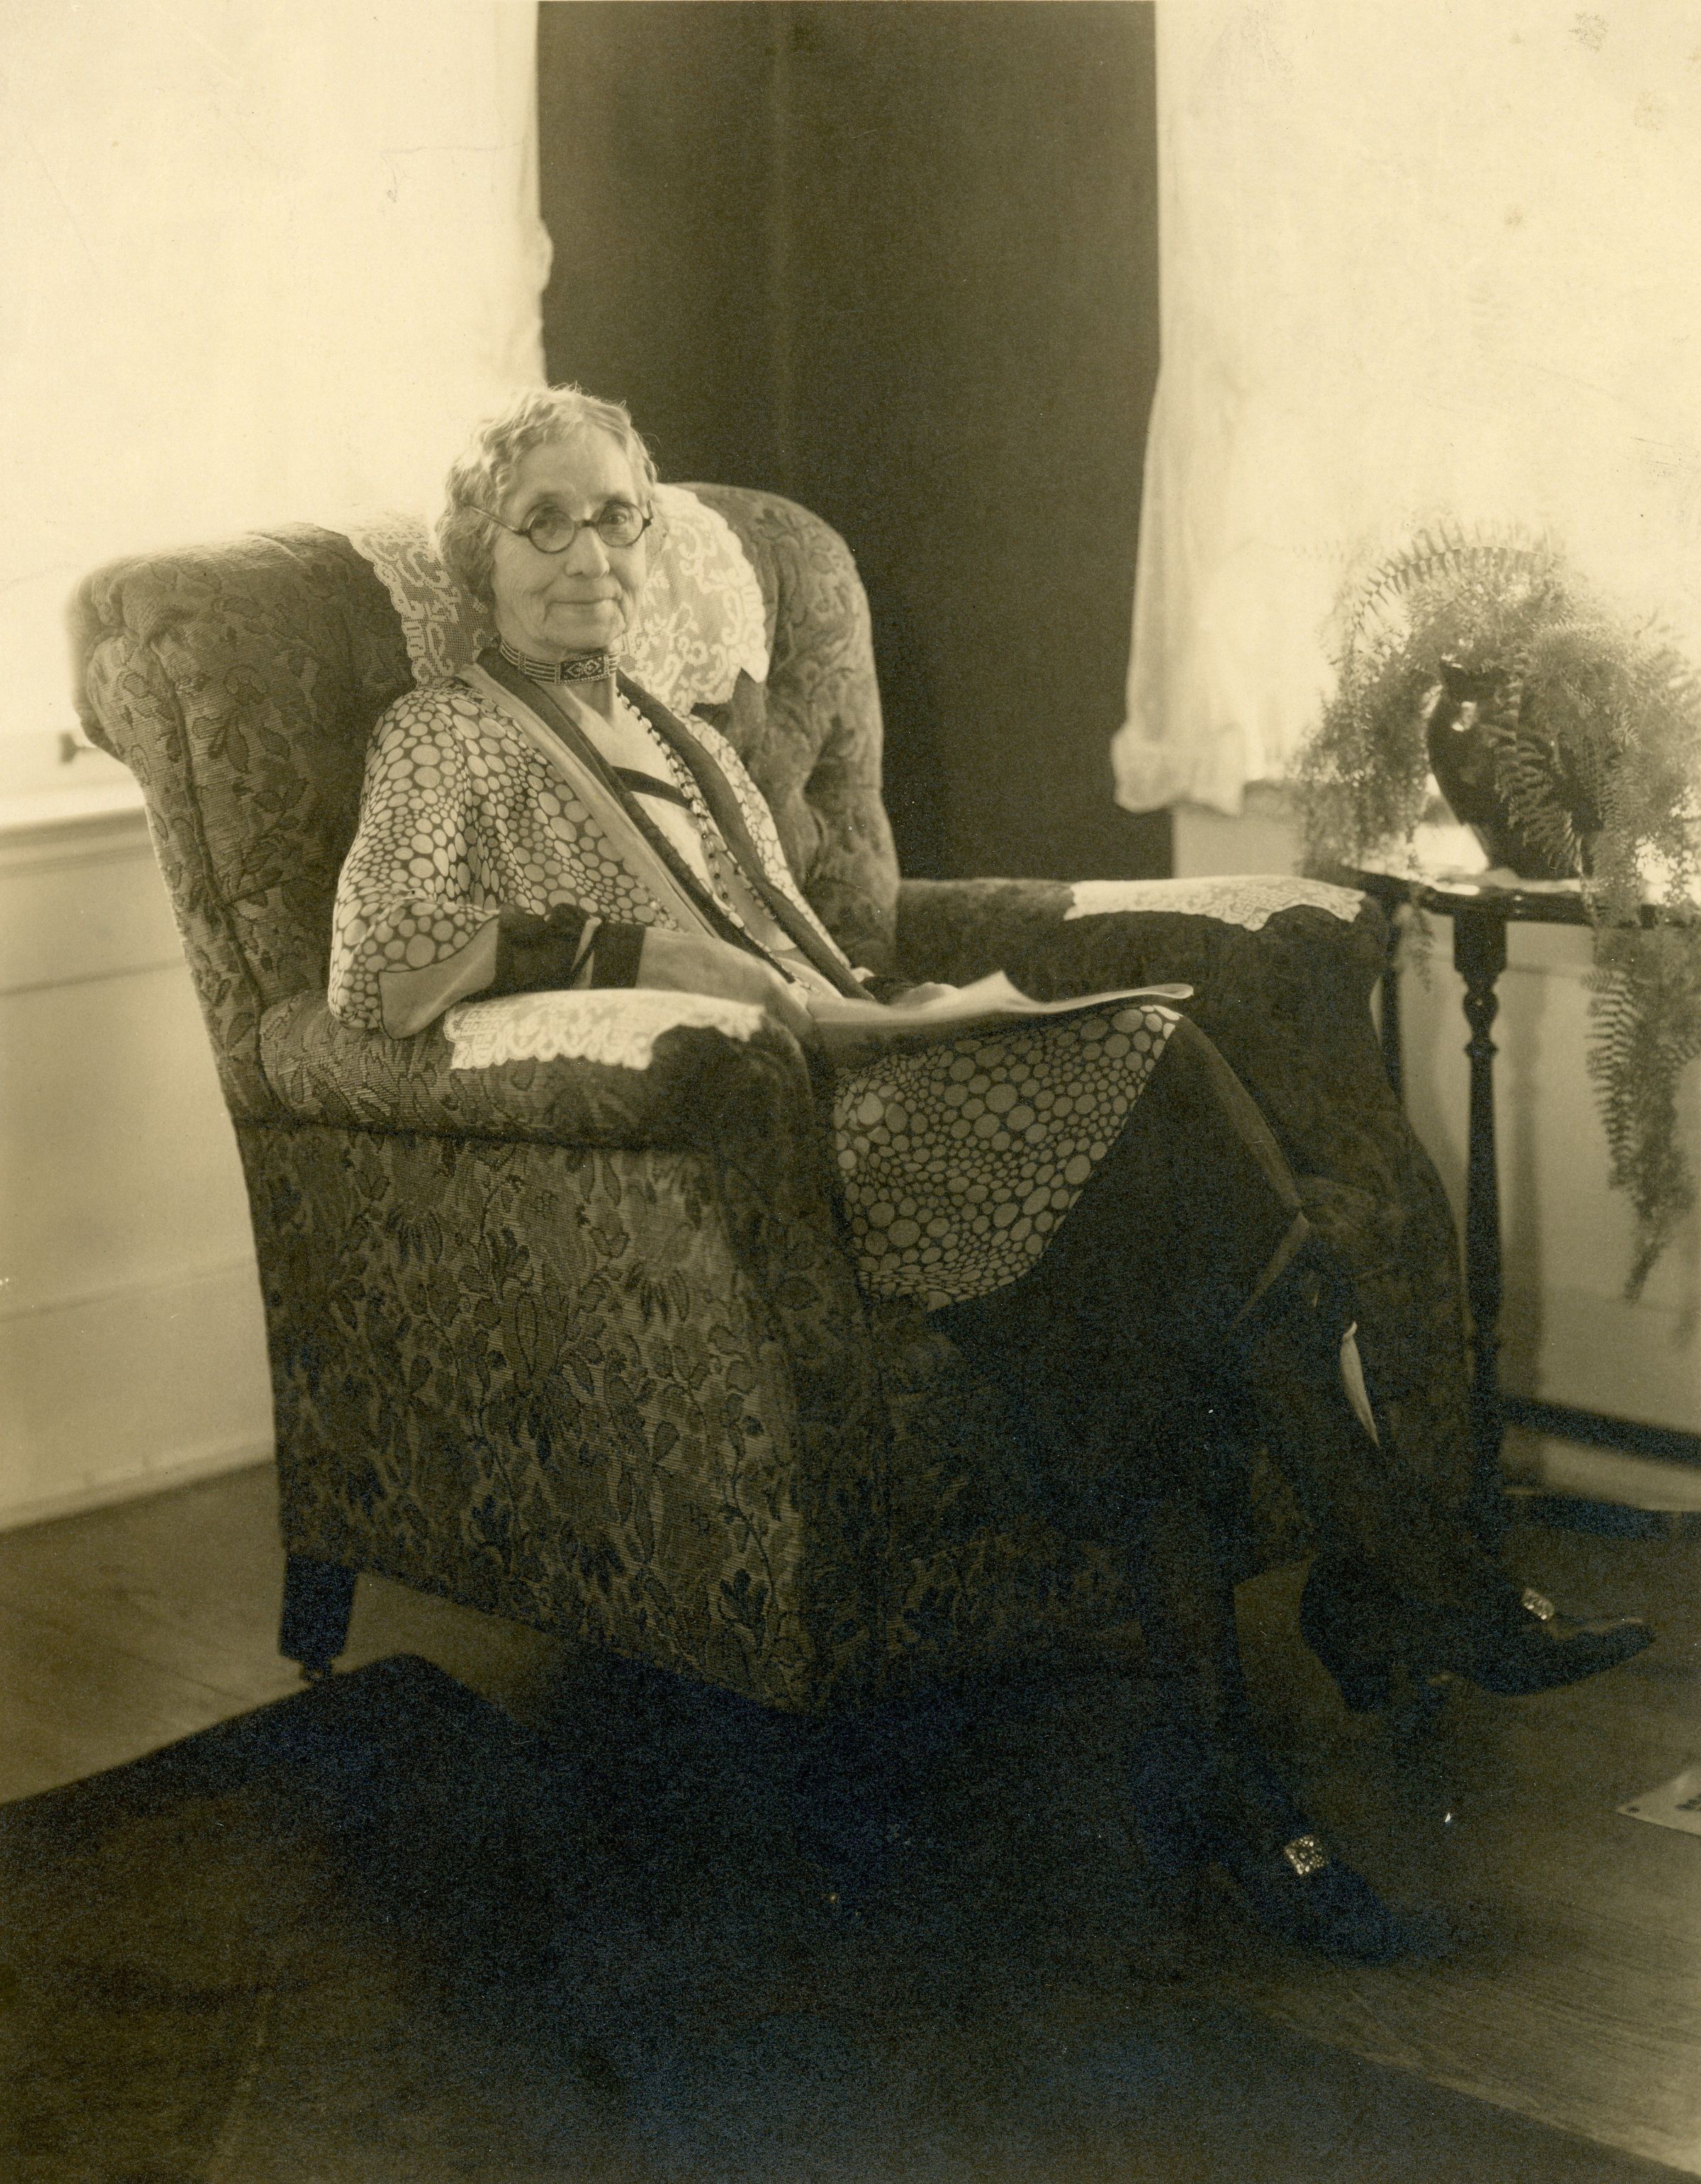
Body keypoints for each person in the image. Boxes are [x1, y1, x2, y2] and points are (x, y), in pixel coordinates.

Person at [329, 385, 1651, 1961]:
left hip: (875, 1059)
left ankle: (1233, 1774)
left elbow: (810, 947)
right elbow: (377, 976)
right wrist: (632, 951)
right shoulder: (445, 736)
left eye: (614, 516)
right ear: (478, 555)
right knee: (1151, 1063)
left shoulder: (679, 732)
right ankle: (1396, 1567)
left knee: (1154, 1288)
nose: (586, 555)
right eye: (542, 523)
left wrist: (909, 1006)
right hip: (773, 1142)